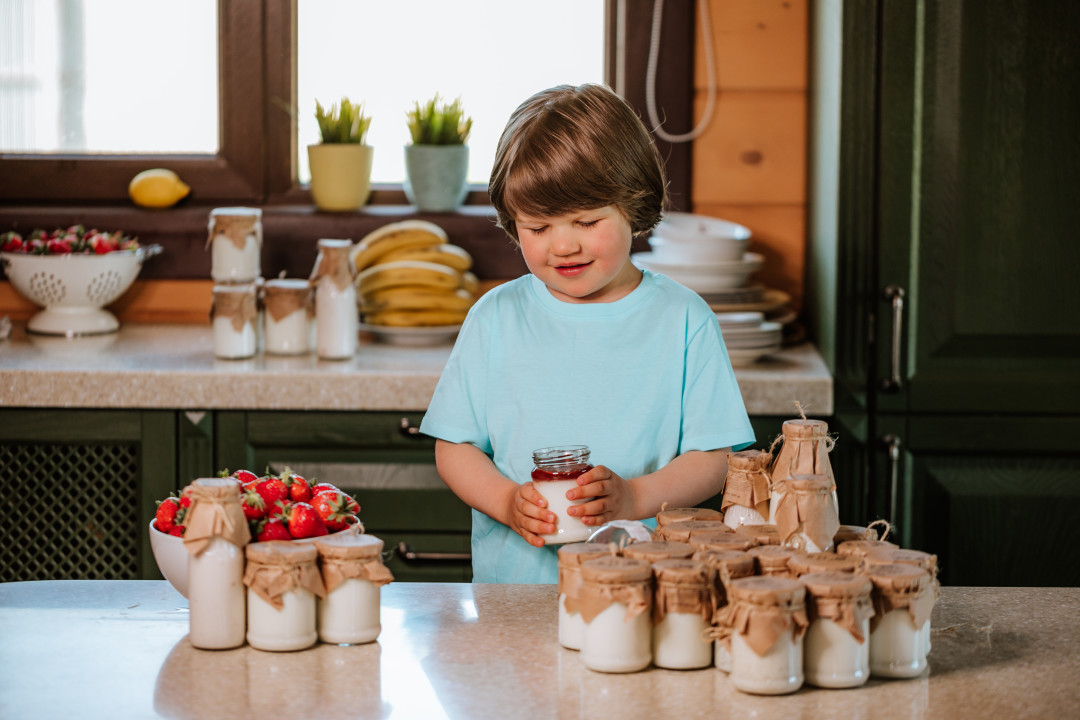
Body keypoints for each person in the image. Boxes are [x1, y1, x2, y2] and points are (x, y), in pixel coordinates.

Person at [419, 83, 754, 583]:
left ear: (634, 205)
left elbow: (717, 456)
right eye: (538, 228)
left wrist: (634, 497)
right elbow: (455, 448)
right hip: (515, 596)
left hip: (641, 587)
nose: (563, 245)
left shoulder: (684, 318)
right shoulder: (495, 317)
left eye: (586, 220)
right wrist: (507, 502)